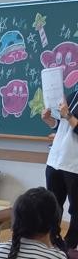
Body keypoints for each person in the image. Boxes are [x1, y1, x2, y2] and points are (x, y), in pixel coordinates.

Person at [42, 90, 78, 248]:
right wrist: (49, 120)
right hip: (56, 159)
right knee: (52, 204)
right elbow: (60, 126)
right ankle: (52, 240)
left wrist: (68, 115)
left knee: (76, 210)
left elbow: (70, 121)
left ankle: (70, 247)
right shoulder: (73, 94)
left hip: (74, 164)